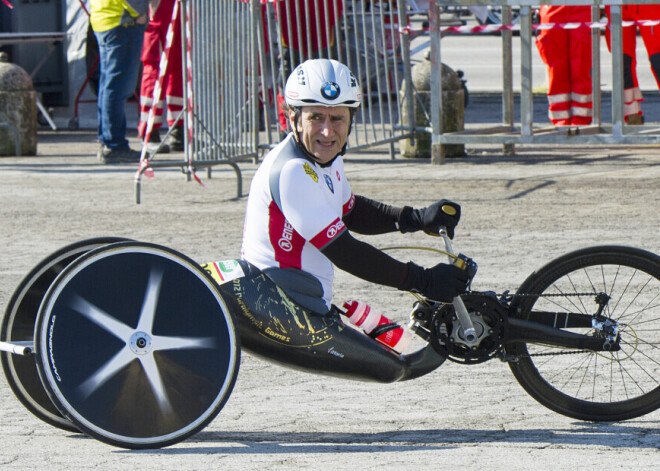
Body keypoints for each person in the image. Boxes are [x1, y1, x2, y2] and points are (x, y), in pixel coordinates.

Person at [233, 59, 468, 381]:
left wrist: (415, 217)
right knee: (398, 368)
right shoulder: (292, 171)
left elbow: (352, 212)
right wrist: (423, 280)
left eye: (337, 119)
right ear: (293, 117)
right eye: (315, 117)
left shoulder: (323, 159)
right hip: (280, 303)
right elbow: (345, 252)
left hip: (301, 295)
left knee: (404, 360)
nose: (328, 131)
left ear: (351, 119)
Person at [90, 0, 147, 164]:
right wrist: (141, 11)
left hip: (105, 19)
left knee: (109, 86)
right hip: (122, 22)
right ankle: (114, 144)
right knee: (117, 87)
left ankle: (108, 141)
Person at [138, 0, 185, 154]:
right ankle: (149, 132)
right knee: (156, 68)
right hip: (159, 8)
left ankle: (179, 129)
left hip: (180, 6)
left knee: (179, 67)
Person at [536, 5, 593, 127]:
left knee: (580, 65)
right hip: (551, 7)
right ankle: (560, 119)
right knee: (556, 68)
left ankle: (581, 118)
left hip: (581, 7)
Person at [605, 5, 660, 124]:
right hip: (617, 6)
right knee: (622, 61)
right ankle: (632, 117)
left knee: (658, 60)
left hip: (650, 6)